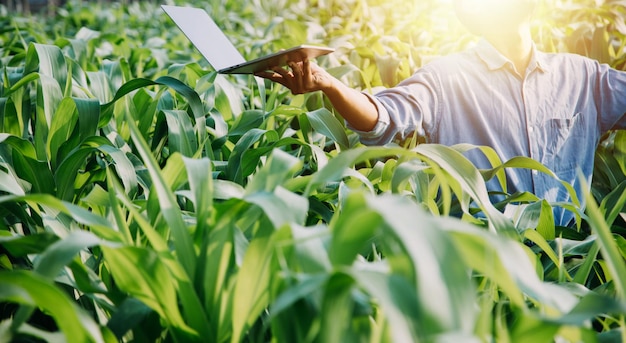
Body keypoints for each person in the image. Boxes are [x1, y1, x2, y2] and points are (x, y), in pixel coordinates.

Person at [256, 0, 626, 227]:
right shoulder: (446, 78)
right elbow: (382, 119)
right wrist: (330, 85)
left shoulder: (583, 77)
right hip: (484, 275)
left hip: (569, 268)